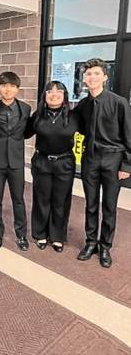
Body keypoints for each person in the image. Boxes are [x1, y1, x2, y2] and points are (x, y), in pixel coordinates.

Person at [76, 58, 131, 268]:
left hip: (113, 160)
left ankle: (105, 245)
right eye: (89, 74)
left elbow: (129, 135)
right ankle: (91, 242)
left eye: (97, 73)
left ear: (105, 77)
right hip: (89, 160)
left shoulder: (119, 103)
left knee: (109, 206)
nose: (92, 77)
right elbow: (80, 128)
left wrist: (126, 165)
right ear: (84, 78)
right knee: (90, 204)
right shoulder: (83, 104)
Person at [27, 81, 79, 252]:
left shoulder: (74, 116)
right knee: (42, 199)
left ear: (65, 96)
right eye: (50, 91)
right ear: (44, 95)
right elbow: (24, 133)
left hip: (64, 163)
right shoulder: (37, 115)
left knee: (60, 201)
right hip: (42, 162)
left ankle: (57, 236)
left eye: (59, 91)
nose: (54, 94)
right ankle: (40, 234)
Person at [0, 72, 31, 251]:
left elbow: (28, 131)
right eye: (4, 85)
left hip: (16, 161)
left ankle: (21, 234)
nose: (8, 89)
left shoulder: (26, 109)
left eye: (12, 86)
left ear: (17, 89)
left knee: (18, 199)